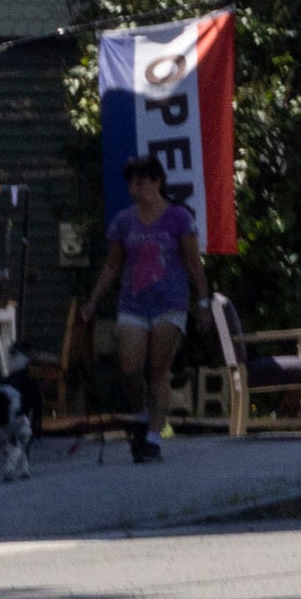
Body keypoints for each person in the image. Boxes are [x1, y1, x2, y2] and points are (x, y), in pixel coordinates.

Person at [90, 154, 206, 459]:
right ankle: (142, 415)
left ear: (156, 181)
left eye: (140, 182)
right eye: (131, 182)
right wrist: (93, 301)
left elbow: (193, 263)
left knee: (158, 369)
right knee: (130, 367)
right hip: (133, 303)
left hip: (170, 302)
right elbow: (113, 265)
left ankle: (153, 438)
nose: (134, 188)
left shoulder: (179, 218)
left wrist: (203, 301)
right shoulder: (124, 222)